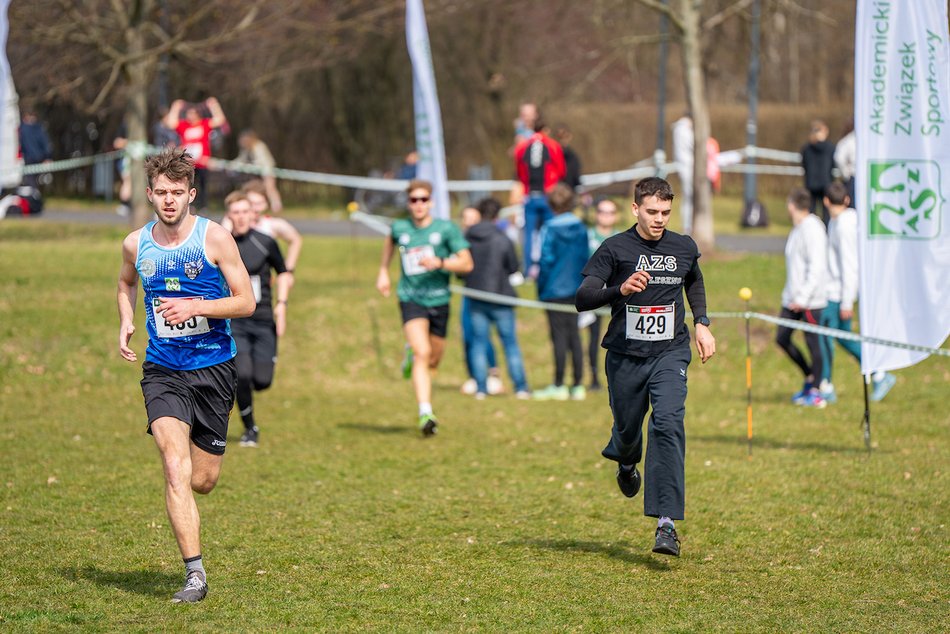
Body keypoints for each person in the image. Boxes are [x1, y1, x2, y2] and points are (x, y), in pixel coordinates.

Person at [115, 147, 255, 603]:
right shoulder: (136, 243)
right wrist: (126, 318)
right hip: (163, 368)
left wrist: (197, 306)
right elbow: (125, 282)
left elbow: (246, 301)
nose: (169, 200)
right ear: (150, 194)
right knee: (175, 468)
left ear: (191, 194)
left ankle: (198, 472)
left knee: (202, 480)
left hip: (214, 368)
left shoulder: (214, 239)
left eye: (178, 192)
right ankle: (195, 576)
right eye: (161, 192)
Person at [575, 176, 716, 558]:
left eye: (665, 213)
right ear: (635, 208)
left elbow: (694, 282)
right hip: (625, 357)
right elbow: (583, 297)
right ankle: (625, 460)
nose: (659, 220)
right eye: (652, 212)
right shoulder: (614, 248)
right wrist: (618, 290)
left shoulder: (683, 247)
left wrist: (701, 322)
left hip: (670, 353)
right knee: (627, 430)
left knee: (668, 423)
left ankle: (666, 523)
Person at [376, 179, 473, 436]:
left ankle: (414, 356)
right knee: (423, 352)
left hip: (439, 299)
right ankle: (425, 412)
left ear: (431, 202)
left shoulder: (446, 230)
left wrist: (440, 262)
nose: (418, 205)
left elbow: (466, 264)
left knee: (433, 359)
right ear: (408, 203)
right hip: (411, 298)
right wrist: (383, 272)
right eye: (413, 200)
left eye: (423, 200)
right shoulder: (400, 228)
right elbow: (389, 246)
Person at [817, 181, 895, 403]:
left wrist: (846, 302)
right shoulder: (836, 222)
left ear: (825, 201)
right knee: (844, 337)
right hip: (835, 290)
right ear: (847, 200)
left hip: (838, 293)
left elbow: (850, 266)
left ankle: (826, 385)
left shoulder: (844, 227)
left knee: (825, 336)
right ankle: (879, 373)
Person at [225, 191, 293, 447]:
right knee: (242, 375)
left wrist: (282, 306)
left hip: (264, 319)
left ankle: (239, 391)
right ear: (229, 215)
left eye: (245, 212)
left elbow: (284, 273)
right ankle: (250, 428)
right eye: (236, 213)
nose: (241, 217)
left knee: (261, 381)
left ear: (252, 214)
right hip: (236, 321)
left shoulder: (265, 242)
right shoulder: (223, 244)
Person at [462, 197, 531, 400]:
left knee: (478, 343)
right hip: (501, 298)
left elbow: (461, 268)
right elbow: (513, 267)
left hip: (476, 296)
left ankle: (481, 388)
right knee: (510, 343)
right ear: (496, 215)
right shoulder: (503, 238)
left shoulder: (468, 237)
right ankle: (521, 388)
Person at [533, 182, 588, 401]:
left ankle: (559, 384)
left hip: (554, 289)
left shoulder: (549, 229)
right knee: (574, 335)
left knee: (559, 337)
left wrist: (541, 287)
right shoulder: (582, 228)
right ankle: (577, 384)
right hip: (576, 289)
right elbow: (587, 258)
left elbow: (545, 261)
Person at [776, 187, 828, 408]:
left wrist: (804, 297)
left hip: (810, 300)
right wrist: (789, 296)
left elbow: (816, 267)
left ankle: (816, 390)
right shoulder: (797, 228)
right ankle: (810, 377)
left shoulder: (813, 228)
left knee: (813, 343)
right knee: (782, 337)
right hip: (792, 298)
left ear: (793, 205)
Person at [458, 204, 503, 397]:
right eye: (465, 219)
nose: (469, 224)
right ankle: (474, 375)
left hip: (486, 293)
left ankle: (492, 371)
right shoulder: (461, 241)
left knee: (483, 336)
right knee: (468, 335)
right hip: (469, 294)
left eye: (473, 220)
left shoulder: (488, 239)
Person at [221, 179, 302, 284]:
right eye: (252, 203)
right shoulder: (233, 222)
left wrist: (289, 270)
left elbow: (296, 239)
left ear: (266, 204)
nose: (255, 208)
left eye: (259, 203)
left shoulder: (272, 224)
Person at [513, 118, 566, 276]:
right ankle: (552, 266)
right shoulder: (552, 145)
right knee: (552, 230)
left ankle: (528, 270)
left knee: (529, 234)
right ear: (546, 129)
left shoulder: (522, 147)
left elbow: (520, 172)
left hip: (530, 196)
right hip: (547, 196)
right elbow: (561, 170)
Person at [582, 198, 622, 391]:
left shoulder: (621, 238)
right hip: (595, 293)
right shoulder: (587, 236)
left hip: (616, 294)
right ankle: (594, 377)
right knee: (593, 336)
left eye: (610, 212)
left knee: (619, 334)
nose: (606, 216)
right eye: (602, 211)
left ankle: (618, 376)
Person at [164, 97, 227, 212]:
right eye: (188, 114)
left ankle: (203, 206)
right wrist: (175, 107)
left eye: (192, 114)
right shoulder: (184, 126)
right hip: (188, 161)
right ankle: (189, 205)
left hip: (202, 161)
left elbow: (220, 120)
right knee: (189, 183)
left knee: (203, 184)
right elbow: (170, 123)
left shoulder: (204, 124)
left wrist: (214, 106)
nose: (190, 116)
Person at [235, 129, 283, 213]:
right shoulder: (246, 149)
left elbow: (262, 161)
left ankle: (276, 206)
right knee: (254, 188)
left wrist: (250, 166)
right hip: (256, 173)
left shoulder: (258, 146)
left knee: (270, 188)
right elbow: (241, 160)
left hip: (267, 170)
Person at [800, 119, 836, 224]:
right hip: (826, 182)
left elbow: (804, 164)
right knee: (826, 213)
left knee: (811, 212)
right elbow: (833, 164)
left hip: (810, 183)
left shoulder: (806, 148)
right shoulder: (830, 147)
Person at [671, 113, 694, 235]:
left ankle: (687, 225)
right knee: (689, 198)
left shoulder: (678, 129)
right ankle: (687, 226)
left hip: (684, 166)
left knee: (688, 198)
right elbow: (694, 144)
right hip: (687, 166)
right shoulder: (683, 130)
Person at [834, 119, 856, 206]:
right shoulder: (850, 139)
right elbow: (839, 158)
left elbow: (839, 158)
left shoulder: (848, 140)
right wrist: (847, 174)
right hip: (854, 177)